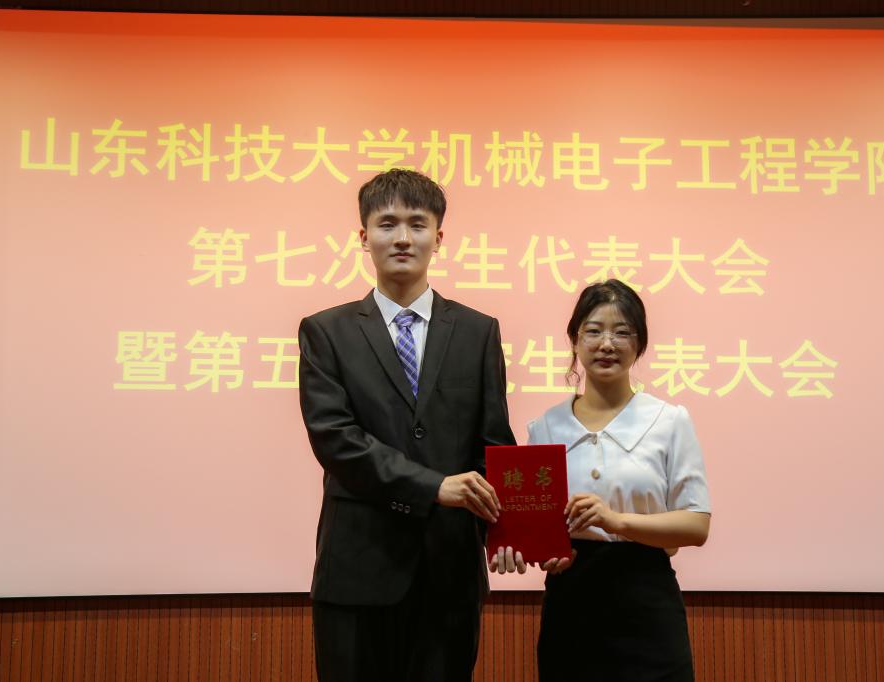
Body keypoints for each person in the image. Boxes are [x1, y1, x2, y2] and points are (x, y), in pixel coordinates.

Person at [297, 169, 515, 682]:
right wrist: (434, 486)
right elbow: (336, 440)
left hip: (450, 573)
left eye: (417, 224)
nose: (402, 238)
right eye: (387, 224)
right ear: (363, 236)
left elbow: (494, 444)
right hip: (357, 568)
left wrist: (509, 529)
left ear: (438, 238)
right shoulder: (325, 332)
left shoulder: (478, 332)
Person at [528, 279, 711, 682]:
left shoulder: (668, 421)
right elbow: (538, 527)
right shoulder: (545, 428)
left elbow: (696, 525)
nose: (606, 344)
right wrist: (542, 553)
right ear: (575, 340)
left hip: (648, 604)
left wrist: (616, 520)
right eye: (593, 331)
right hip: (570, 606)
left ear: (639, 344)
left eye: (622, 332)